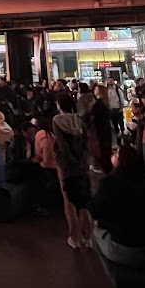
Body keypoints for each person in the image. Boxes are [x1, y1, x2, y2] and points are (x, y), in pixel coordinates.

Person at [91, 144, 145, 266]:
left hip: (126, 248)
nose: (113, 156)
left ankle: (109, 272)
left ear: (120, 160)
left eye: (116, 154)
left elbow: (94, 211)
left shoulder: (108, 183)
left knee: (95, 231)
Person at [53, 92, 94, 249]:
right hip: (81, 163)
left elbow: (62, 145)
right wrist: (82, 160)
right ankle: (88, 236)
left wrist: (70, 161)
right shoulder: (79, 120)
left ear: (59, 105)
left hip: (66, 164)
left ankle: (74, 236)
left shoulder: (57, 120)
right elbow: (85, 142)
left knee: (69, 200)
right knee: (83, 199)